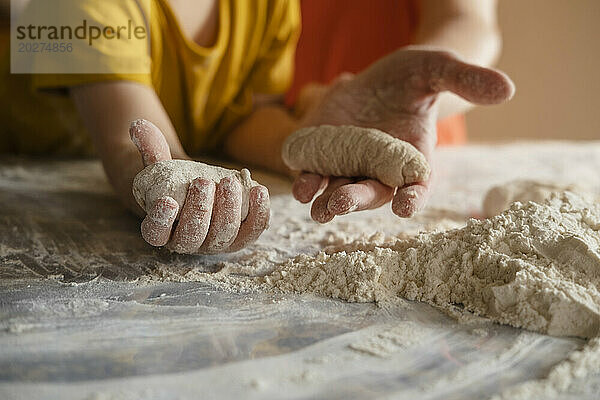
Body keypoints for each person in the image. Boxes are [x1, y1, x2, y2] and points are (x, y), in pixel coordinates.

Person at [0, 0, 513, 254]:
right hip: (31, 154)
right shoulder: (66, 3)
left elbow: (244, 117)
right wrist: (174, 184)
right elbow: (126, 138)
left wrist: (312, 141)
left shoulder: (268, 6)